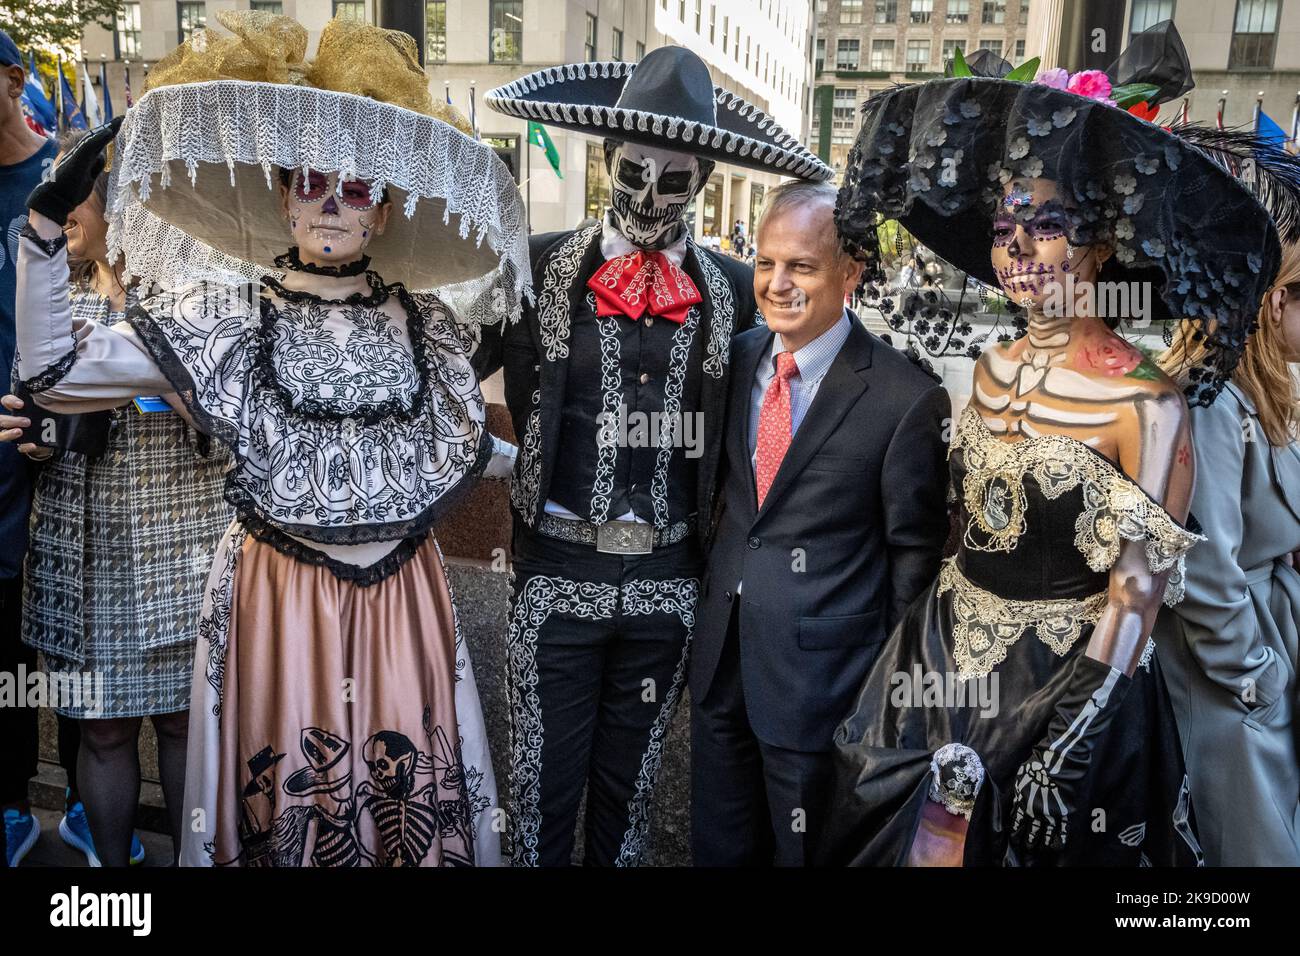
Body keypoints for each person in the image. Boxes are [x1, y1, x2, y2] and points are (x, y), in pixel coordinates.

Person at [14, 11, 529, 867]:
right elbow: (54, 376)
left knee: (402, 790)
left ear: (388, 210)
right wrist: (38, 237)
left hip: (402, 603)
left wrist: (536, 467)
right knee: (291, 798)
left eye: (357, 188)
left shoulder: (427, 327)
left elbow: (466, 445)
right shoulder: (224, 316)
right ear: (283, 190)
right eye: (311, 179)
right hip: (276, 594)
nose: (330, 203)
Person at [822, 22, 1293, 865]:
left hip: (1066, 691)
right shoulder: (988, 368)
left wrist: (1071, 734)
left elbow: (1136, 595)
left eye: (1044, 226)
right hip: (937, 666)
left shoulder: (1147, 405)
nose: (1018, 253)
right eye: (1005, 230)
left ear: (1101, 244)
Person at [483, 45, 832, 866]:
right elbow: (446, 369)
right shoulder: (536, 266)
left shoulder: (738, 288)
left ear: (704, 180)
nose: (648, 197)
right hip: (556, 574)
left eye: (673, 181)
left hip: (672, 585)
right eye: (633, 173)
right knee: (540, 786)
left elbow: (817, 377)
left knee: (632, 790)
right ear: (608, 160)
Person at [689, 180, 950, 866]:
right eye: (767, 262)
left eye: (800, 266)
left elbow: (913, 561)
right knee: (719, 847)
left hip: (823, 689)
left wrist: (883, 696)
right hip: (722, 663)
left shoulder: (905, 398)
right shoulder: (738, 358)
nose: (776, 282)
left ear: (849, 274)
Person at [1, 136, 232, 866]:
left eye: (78, 195)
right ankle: (111, 873)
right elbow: (34, 409)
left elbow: (232, 427)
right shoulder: (55, 294)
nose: (64, 209)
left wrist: (154, 364)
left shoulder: (200, 300)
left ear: (126, 206)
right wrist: (34, 437)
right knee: (100, 728)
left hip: (186, 538)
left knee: (180, 721)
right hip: (83, 542)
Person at [1153, 242, 1300, 865]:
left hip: (1266, 642)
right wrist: (1253, 676)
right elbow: (1202, 560)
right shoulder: (1211, 397)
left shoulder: (1255, 386)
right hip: (1225, 672)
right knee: (1247, 850)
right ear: (1275, 301)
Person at [0, 27, 62, 869]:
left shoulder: (65, 178)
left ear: (13, 79)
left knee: (71, 663)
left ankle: (93, 813)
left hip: (82, 464)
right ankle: (10, 813)